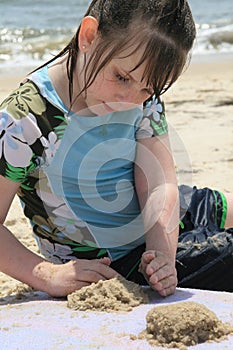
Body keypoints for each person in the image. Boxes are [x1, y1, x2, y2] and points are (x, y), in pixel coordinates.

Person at [0, 0, 232, 298]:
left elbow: (160, 183)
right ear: (89, 36)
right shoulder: (26, 119)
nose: (130, 99)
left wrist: (162, 252)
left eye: (149, 89)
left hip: (158, 214)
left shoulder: (140, 85)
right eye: (122, 77)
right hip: (112, 258)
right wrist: (47, 274)